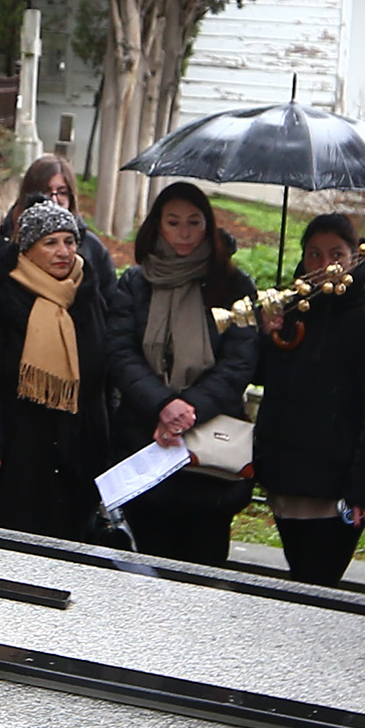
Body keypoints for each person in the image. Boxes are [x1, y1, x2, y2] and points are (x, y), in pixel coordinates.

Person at [249, 214, 365, 586]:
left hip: (337, 486)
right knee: (299, 576)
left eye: (336, 253)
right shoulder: (291, 309)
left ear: (356, 256)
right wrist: (265, 335)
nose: (324, 266)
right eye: (314, 254)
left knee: (318, 582)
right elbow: (262, 378)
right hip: (287, 477)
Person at [108, 181, 260, 565]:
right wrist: (162, 405)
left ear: (207, 225)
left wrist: (187, 408)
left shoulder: (234, 285)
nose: (185, 232)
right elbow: (120, 352)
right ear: (157, 226)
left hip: (210, 454)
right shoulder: (135, 283)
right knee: (147, 569)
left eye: (194, 222)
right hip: (146, 442)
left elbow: (239, 361)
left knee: (204, 568)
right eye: (174, 222)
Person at [0, 200, 115, 539]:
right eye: (50, 242)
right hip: (21, 446)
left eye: (70, 241)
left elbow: (104, 373)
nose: (63, 251)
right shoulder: (0, 300)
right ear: (28, 249)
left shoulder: (88, 294)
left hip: (79, 447)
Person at [0, 154, 119, 299]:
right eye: (45, 192)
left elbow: (113, 304)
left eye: (62, 192)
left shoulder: (92, 248)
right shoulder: (1, 249)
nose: (54, 199)